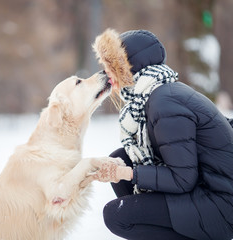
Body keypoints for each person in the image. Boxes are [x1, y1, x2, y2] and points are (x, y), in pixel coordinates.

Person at [90, 28, 233, 240]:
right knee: (121, 158)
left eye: (110, 68)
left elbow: (183, 178)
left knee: (118, 215)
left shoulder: (164, 104)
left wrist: (129, 173)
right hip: (207, 188)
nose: (108, 76)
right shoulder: (159, 92)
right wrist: (124, 170)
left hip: (221, 204)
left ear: (128, 69)